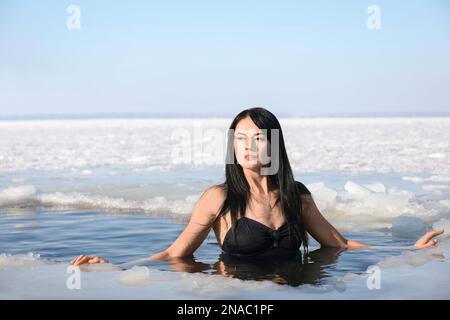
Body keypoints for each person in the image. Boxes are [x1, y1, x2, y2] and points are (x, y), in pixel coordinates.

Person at [71, 107, 444, 267]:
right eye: (241, 138)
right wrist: (116, 268)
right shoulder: (218, 199)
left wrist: (405, 250)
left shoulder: (297, 197)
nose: (249, 146)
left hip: (290, 289)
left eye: (259, 138)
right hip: (235, 296)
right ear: (232, 146)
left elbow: (339, 245)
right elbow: (175, 255)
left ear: (274, 144)